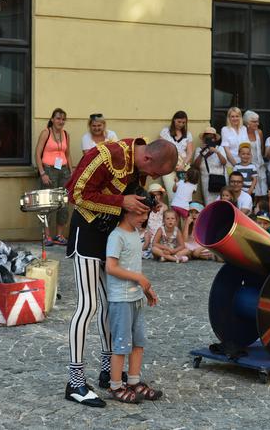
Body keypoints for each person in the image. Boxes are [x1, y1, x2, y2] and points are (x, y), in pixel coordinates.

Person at [64, 137, 177, 407]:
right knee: (88, 305)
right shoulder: (105, 155)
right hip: (87, 235)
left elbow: (129, 199)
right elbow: (75, 194)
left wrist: (143, 204)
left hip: (108, 238)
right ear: (147, 158)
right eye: (154, 173)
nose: (151, 178)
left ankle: (108, 372)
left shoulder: (138, 164)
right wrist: (122, 202)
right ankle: (75, 381)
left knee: (109, 306)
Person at [104, 205, 161, 403]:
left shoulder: (135, 233)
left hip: (136, 298)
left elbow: (135, 266)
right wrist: (138, 278)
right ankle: (115, 386)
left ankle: (134, 381)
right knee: (121, 345)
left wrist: (146, 289)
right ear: (127, 210)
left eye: (146, 214)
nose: (144, 218)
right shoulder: (116, 236)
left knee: (138, 342)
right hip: (121, 299)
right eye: (140, 213)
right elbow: (110, 267)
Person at [35, 108, 73, 246]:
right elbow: (37, 154)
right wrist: (42, 173)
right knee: (47, 203)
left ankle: (59, 235)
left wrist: (71, 172)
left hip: (63, 171)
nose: (60, 121)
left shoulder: (66, 134)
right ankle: (47, 236)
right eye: (58, 118)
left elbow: (68, 155)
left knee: (63, 203)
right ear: (52, 119)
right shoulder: (46, 132)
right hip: (48, 170)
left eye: (63, 119)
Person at [160, 111, 194, 200]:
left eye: (183, 122)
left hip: (183, 166)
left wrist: (183, 165)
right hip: (168, 166)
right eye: (179, 121)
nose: (181, 124)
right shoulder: (165, 132)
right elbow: (161, 149)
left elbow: (190, 152)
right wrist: (172, 165)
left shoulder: (188, 134)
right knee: (172, 193)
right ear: (174, 120)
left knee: (184, 194)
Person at [193, 127, 227, 205]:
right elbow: (196, 166)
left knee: (222, 203)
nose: (210, 139)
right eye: (207, 137)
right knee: (209, 204)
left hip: (220, 179)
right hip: (207, 181)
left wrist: (217, 152)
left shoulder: (220, 148)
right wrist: (203, 152)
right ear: (204, 139)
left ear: (215, 139)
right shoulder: (199, 149)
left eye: (212, 137)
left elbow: (224, 162)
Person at [242, 110, 268, 202]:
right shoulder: (242, 133)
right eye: (254, 121)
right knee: (250, 190)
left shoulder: (259, 132)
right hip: (248, 166)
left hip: (260, 165)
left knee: (262, 192)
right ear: (247, 122)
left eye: (257, 121)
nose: (257, 123)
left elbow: (261, 149)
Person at [142, 183, 167, 260]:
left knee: (160, 243)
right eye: (154, 195)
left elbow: (165, 221)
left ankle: (162, 254)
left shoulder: (164, 207)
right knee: (147, 241)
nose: (156, 197)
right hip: (149, 229)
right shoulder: (148, 206)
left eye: (158, 195)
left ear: (161, 195)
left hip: (159, 229)